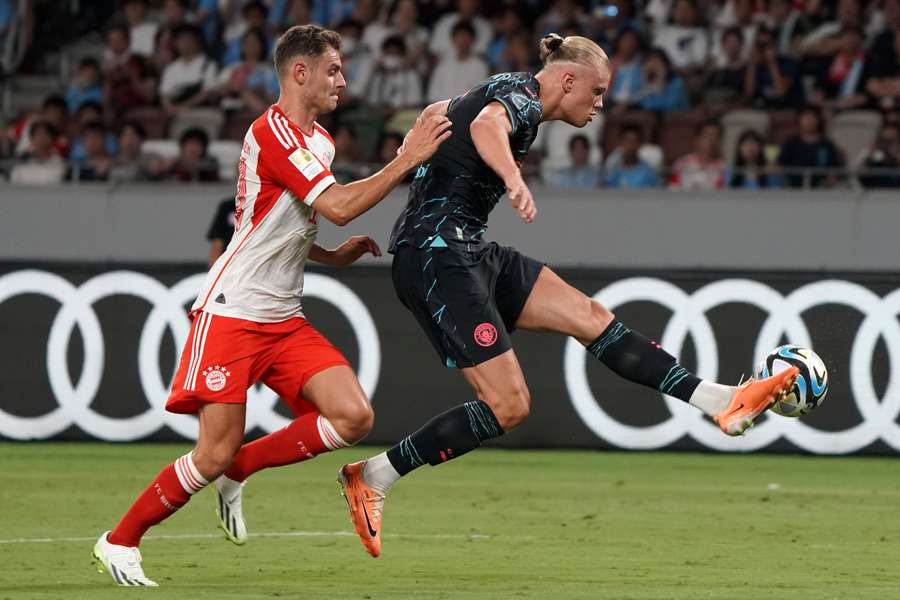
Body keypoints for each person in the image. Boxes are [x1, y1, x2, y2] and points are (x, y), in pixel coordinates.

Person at [337, 33, 799, 559]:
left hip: (469, 248)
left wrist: (429, 136)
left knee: (591, 316)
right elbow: (487, 124)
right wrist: (511, 178)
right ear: (569, 79)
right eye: (597, 91)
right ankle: (373, 476)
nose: (601, 104)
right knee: (509, 406)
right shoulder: (524, 100)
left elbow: (450, 110)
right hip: (436, 256)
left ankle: (719, 401)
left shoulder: (511, 90)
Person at [91, 24, 451, 587]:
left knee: (354, 416)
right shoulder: (273, 131)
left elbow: (289, 223)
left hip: (282, 319)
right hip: (233, 312)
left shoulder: (322, 142)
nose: (343, 79)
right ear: (299, 72)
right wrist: (407, 158)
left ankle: (243, 467)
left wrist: (331, 257)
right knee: (209, 455)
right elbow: (335, 205)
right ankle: (119, 541)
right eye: (333, 69)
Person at [778, 106, 844, 188]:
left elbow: (834, 167)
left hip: (821, 189)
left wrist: (831, 178)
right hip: (793, 188)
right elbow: (781, 165)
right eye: (806, 118)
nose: (809, 121)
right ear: (799, 120)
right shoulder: (791, 143)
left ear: (818, 120)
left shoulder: (827, 145)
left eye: (813, 117)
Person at [669, 120, 726, 190]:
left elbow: (722, 193)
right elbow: (672, 189)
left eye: (715, 136)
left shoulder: (722, 167)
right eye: (707, 136)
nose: (711, 140)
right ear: (697, 139)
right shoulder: (681, 163)